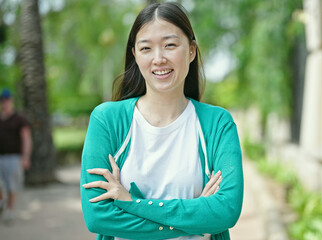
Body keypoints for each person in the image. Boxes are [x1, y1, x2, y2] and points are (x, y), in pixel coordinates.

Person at [80, 2, 243, 240]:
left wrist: (130, 203)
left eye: (170, 45)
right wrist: (198, 218)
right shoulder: (106, 120)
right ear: (135, 54)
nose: (159, 59)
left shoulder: (217, 123)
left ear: (191, 50)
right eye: (146, 48)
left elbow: (225, 212)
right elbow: (97, 217)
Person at [0, 88, 32, 223]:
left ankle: (10, 210)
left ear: (11, 101)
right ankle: (2, 201)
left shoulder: (19, 119)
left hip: (14, 157)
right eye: (2, 100)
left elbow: (26, 139)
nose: (4, 103)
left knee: (12, 185)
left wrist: (26, 157)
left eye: (6, 100)